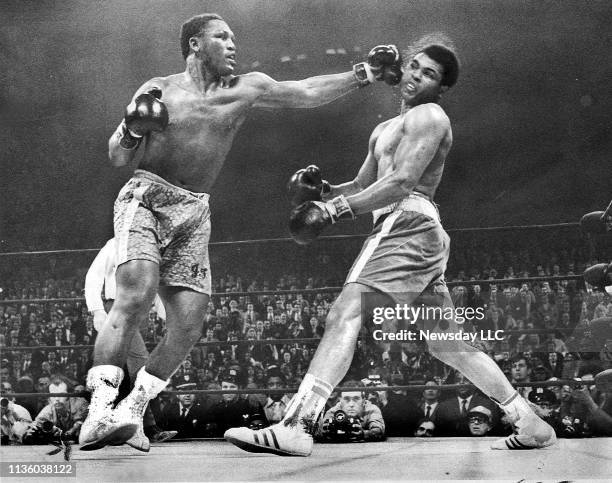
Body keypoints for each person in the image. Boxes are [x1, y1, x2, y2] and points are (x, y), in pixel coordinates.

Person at [80, 12, 401, 451]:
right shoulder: (160, 88)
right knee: (135, 294)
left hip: (195, 211)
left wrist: (362, 74)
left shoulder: (245, 88)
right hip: (147, 198)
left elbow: (305, 91)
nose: (232, 44)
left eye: (233, 37)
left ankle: (131, 412)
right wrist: (131, 128)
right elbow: (118, 157)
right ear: (195, 44)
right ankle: (98, 413)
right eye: (222, 36)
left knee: (189, 325)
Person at [225, 33, 556, 456]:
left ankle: (298, 423)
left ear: (442, 87)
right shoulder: (384, 127)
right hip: (413, 232)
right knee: (446, 343)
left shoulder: (431, 117)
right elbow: (365, 184)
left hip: (406, 222)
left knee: (345, 312)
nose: (417, 75)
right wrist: (321, 191)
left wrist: (335, 211)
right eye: (415, 65)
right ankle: (529, 422)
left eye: (430, 73)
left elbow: (401, 182)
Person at [84, 237, 177, 451]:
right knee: (141, 365)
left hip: (136, 311)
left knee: (128, 370)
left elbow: (154, 286)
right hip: (116, 308)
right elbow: (94, 274)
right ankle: (148, 428)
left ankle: (129, 427)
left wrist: (168, 318)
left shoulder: (152, 249)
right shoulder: (115, 244)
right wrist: (97, 310)